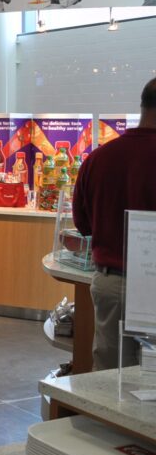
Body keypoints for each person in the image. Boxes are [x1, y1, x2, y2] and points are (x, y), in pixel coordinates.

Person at [73, 77, 156, 371]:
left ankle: (103, 418)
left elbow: (82, 224)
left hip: (111, 282)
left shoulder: (98, 158)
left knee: (108, 374)